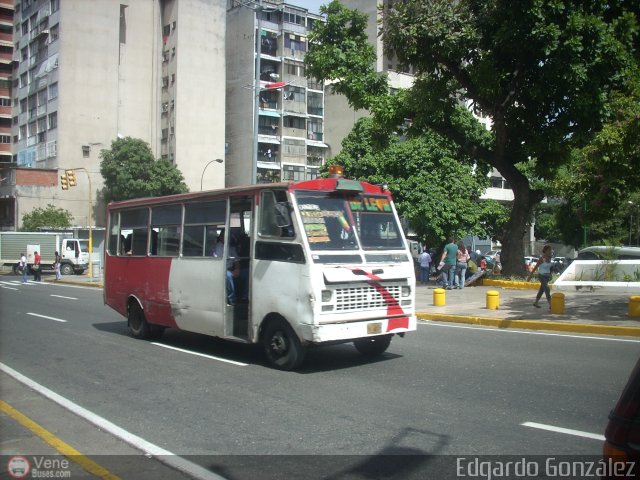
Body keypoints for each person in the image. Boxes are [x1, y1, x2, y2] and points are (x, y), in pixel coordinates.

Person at [214, 231, 238, 306]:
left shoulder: (231, 247)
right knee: (228, 275)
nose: (226, 238)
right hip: (221, 269)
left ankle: (245, 297)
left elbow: (237, 260)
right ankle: (232, 300)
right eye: (224, 236)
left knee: (247, 273)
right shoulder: (216, 247)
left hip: (232, 269)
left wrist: (237, 269)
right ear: (221, 237)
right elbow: (216, 261)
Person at [527, 244, 553, 308]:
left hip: (547, 276)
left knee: (542, 290)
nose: (550, 251)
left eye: (550, 250)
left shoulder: (550, 258)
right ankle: (551, 304)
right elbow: (535, 267)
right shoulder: (542, 259)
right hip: (542, 276)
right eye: (549, 250)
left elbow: (550, 268)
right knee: (547, 289)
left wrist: (550, 274)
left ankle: (536, 302)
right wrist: (530, 276)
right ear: (545, 250)